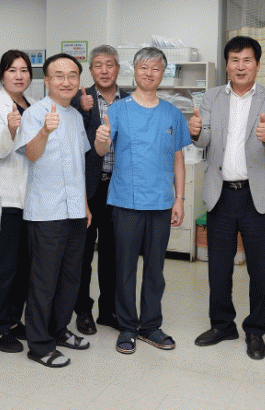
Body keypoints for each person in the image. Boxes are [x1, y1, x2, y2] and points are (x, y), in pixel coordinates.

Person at [190, 36, 265, 360]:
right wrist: (195, 131)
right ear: (227, 64)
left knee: (259, 270)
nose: (240, 66)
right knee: (218, 268)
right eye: (234, 60)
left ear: (257, 64)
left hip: (256, 196)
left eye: (247, 60)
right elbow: (203, 140)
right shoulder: (212, 96)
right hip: (220, 194)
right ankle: (222, 325)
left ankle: (256, 330)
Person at [94, 47, 189, 355]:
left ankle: (150, 326)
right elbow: (101, 151)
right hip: (126, 201)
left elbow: (178, 159)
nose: (149, 74)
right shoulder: (118, 110)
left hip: (161, 202)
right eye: (144, 68)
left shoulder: (172, 113)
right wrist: (101, 139)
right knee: (124, 268)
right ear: (134, 71)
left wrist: (180, 199)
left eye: (156, 69)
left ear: (163, 74)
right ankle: (126, 326)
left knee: (155, 269)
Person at [15, 52, 92, 369]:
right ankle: (39, 344)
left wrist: (84, 203)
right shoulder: (34, 114)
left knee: (70, 278)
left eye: (72, 75)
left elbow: (78, 164)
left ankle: (59, 330)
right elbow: (31, 154)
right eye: (59, 75)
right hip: (46, 212)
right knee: (44, 282)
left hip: (75, 211)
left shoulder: (75, 116)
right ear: (46, 80)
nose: (66, 81)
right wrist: (45, 131)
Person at [70, 45, 129, 335]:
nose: (104, 71)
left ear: (118, 68)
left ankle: (109, 310)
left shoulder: (129, 101)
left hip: (118, 188)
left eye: (109, 65)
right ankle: (83, 310)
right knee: (82, 254)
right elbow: (72, 142)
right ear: (91, 70)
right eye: (98, 65)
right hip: (88, 188)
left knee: (113, 253)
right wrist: (82, 112)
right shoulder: (78, 100)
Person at [0, 50, 36, 353]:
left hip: (30, 198)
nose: (19, 75)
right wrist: (11, 129)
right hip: (6, 197)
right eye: (12, 70)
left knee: (24, 267)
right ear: (2, 74)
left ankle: (14, 320)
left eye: (24, 70)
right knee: (3, 266)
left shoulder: (33, 104)